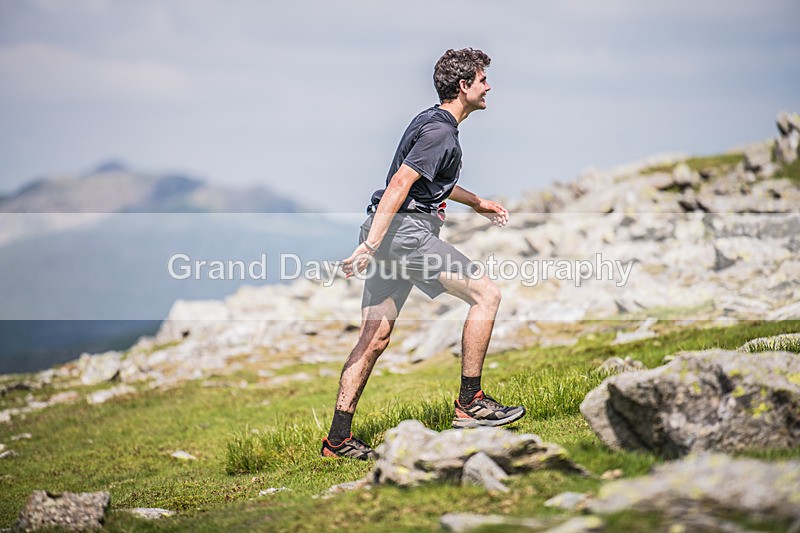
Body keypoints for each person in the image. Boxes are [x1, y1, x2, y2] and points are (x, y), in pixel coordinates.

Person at [321, 48, 525, 460]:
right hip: (406, 235)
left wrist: (478, 203)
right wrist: (372, 244)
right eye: (483, 79)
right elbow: (399, 185)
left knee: (374, 336)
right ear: (464, 86)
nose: (489, 87)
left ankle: (337, 440)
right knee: (486, 295)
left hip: (395, 234)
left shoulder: (430, 121)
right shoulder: (441, 133)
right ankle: (471, 402)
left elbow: (430, 183)